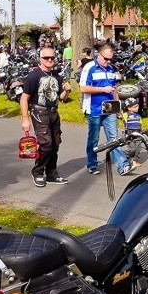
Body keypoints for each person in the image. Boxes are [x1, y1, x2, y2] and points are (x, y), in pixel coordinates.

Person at [79, 44, 139, 177]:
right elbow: (83, 88)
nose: (108, 62)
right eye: (106, 59)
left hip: (110, 108)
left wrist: (118, 109)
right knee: (93, 139)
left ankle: (122, 166)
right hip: (93, 108)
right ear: (98, 55)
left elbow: (114, 90)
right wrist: (102, 89)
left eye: (111, 59)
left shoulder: (112, 69)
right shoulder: (89, 67)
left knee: (114, 138)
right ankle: (92, 164)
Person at [20, 47, 72, 187]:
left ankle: (51, 173)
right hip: (39, 112)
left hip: (54, 112)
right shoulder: (34, 76)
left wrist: (66, 91)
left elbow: (61, 98)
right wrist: (25, 119)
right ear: (40, 59)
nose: (50, 60)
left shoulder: (56, 76)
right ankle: (37, 172)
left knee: (55, 144)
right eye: (46, 58)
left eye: (52, 58)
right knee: (46, 144)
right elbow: (24, 98)